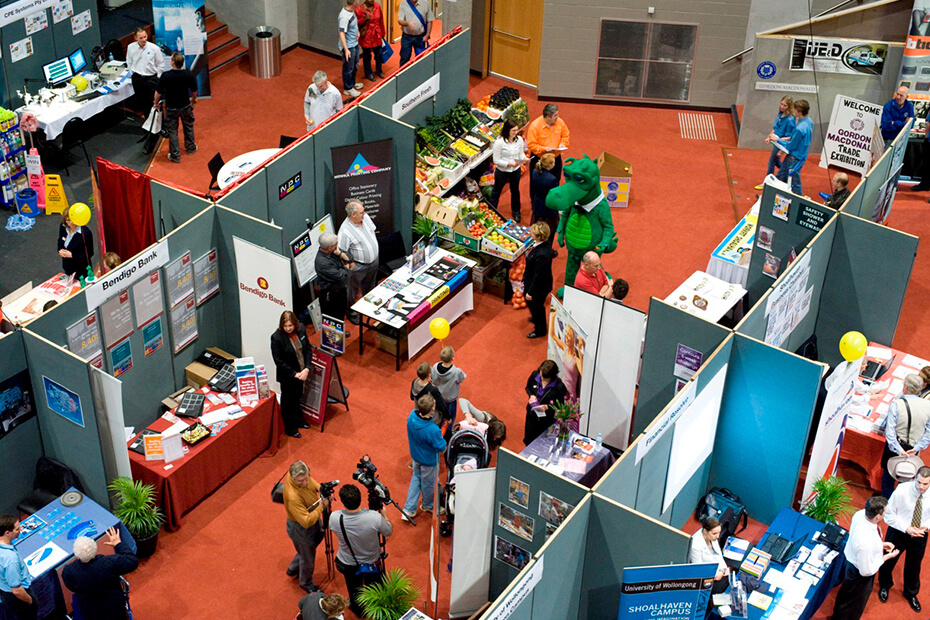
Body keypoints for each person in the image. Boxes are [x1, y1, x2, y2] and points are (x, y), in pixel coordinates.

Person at [328, 484, 392, 617]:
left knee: (354, 590)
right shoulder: (374, 517)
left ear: (342, 501)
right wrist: (384, 515)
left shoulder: (334, 518)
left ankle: (359, 611)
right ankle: (377, 610)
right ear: (360, 498)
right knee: (375, 587)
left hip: (348, 563)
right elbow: (388, 531)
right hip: (372, 562)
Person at [831, 496, 898, 620]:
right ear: (877, 517)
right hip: (859, 574)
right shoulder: (865, 542)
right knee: (853, 604)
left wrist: (880, 545)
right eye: (884, 512)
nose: (885, 514)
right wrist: (885, 557)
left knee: (845, 594)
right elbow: (866, 571)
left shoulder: (860, 514)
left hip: (850, 559)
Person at [878, 466, 930, 612]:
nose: (921, 487)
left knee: (914, 565)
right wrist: (907, 528)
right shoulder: (902, 490)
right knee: (888, 560)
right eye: (919, 482)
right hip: (898, 531)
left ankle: (911, 593)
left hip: (920, 534)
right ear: (915, 478)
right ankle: (884, 585)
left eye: (925, 484)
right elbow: (889, 515)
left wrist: (925, 526)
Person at [61, 528, 139, 620]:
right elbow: (132, 561)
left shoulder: (69, 571)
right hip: (115, 609)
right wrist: (118, 544)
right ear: (95, 549)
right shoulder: (108, 563)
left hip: (90, 613)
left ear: (77, 555)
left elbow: (71, 587)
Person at [283, 460, 330, 593]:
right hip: (301, 528)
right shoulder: (292, 496)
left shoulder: (301, 475)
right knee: (308, 556)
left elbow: (311, 481)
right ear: (292, 477)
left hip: (312, 517)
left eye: (305, 478)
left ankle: (294, 567)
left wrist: (320, 488)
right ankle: (306, 582)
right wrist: (322, 506)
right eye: (300, 481)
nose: (304, 483)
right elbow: (305, 521)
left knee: (311, 546)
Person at [882, 374, 930, 498]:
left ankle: (886, 501)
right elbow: (928, 433)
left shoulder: (896, 404)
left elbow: (890, 431)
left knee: (888, 477)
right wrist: (917, 448)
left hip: (895, 448)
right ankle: (899, 501)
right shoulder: (928, 406)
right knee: (907, 476)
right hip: (913, 448)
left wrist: (898, 449)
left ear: (905, 387)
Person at [401, 393, 448, 522]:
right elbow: (442, 447)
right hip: (429, 461)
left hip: (415, 456)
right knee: (428, 484)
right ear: (432, 409)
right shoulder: (432, 430)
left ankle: (409, 509)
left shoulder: (412, 416)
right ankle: (428, 505)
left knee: (416, 478)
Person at [270, 310, 313, 438]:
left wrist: (306, 368)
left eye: (290, 325)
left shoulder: (301, 329)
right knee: (288, 401)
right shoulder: (276, 338)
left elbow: (308, 350)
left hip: (302, 372)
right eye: (286, 326)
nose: (288, 328)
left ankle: (299, 420)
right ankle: (290, 428)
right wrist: (294, 374)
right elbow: (278, 361)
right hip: (288, 376)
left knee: (298, 397)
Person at [338, 201, 379, 325]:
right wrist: (349, 265)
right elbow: (342, 250)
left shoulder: (365, 218)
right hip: (358, 266)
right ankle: (351, 313)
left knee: (370, 286)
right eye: (361, 212)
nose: (364, 214)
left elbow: (372, 230)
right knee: (352, 291)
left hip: (373, 262)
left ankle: (368, 307)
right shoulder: (345, 231)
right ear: (353, 214)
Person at [154, 52, 197, 164]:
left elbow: (158, 92)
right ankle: (191, 148)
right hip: (185, 106)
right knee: (188, 126)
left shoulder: (166, 76)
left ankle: (175, 155)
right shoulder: (188, 74)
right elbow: (194, 90)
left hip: (171, 108)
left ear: (172, 62)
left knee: (172, 131)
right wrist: (193, 100)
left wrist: (155, 103)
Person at [315, 232, 354, 336]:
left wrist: (341, 254)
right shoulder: (322, 262)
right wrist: (347, 266)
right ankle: (331, 345)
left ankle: (339, 333)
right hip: (330, 295)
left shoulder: (334, 251)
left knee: (340, 315)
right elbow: (342, 275)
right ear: (329, 247)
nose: (338, 245)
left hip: (340, 291)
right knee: (331, 320)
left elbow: (350, 258)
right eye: (336, 244)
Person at [770, 99, 813, 196]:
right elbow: (799, 138)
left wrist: (777, 139)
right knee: (782, 177)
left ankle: (796, 202)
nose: (793, 111)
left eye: (794, 109)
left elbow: (790, 146)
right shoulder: (809, 122)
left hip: (794, 158)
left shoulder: (799, 128)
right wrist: (788, 138)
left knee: (793, 182)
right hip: (801, 156)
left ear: (799, 111)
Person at [688, 517, 729, 614]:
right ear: (705, 531)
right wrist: (716, 575)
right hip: (705, 577)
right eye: (715, 533)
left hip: (717, 571)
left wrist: (723, 569)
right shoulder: (695, 545)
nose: (718, 536)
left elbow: (719, 555)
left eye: (719, 533)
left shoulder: (712, 537)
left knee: (730, 582)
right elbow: (699, 570)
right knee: (722, 590)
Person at [490, 119, 528, 222]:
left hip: (515, 170)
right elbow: (496, 160)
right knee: (496, 191)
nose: (516, 133)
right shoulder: (499, 142)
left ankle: (516, 212)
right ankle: (492, 211)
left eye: (516, 130)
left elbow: (521, 153)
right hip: (502, 171)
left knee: (515, 191)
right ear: (507, 130)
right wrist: (508, 164)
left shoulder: (519, 139)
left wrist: (524, 159)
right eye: (513, 131)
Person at [523, 360, 569, 445]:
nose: (542, 379)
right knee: (529, 439)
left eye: (545, 378)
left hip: (546, 419)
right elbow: (528, 387)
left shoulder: (559, 387)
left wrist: (547, 407)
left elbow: (561, 405)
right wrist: (531, 395)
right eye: (541, 376)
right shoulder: (535, 375)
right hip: (532, 414)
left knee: (542, 442)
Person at [524, 222, 557, 339]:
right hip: (540, 283)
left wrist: (530, 292)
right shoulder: (544, 245)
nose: (530, 233)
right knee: (535, 306)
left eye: (532, 232)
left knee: (536, 306)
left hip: (538, 287)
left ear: (538, 236)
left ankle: (540, 329)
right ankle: (535, 317)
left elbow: (538, 275)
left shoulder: (541, 254)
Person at [755, 96, 795, 190]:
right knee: (776, 161)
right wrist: (769, 137)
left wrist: (781, 149)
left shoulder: (790, 120)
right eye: (781, 104)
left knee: (771, 162)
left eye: (785, 105)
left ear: (789, 106)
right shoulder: (780, 114)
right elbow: (775, 128)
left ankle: (767, 183)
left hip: (780, 143)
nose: (782, 107)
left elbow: (790, 136)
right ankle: (787, 176)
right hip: (775, 141)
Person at [0, 515, 36, 620]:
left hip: (4, 590)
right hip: (18, 597)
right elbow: (16, 590)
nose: (20, 530)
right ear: (7, 533)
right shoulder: (11, 560)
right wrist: (30, 601)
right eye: (17, 529)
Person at [126, 27, 165, 115]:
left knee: (156, 102)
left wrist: (157, 76)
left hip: (151, 79)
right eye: (141, 38)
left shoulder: (154, 48)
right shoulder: (130, 47)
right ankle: (148, 122)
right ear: (136, 38)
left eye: (145, 37)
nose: (144, 40)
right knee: (143, 102)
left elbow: (161, 64)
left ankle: (160, 125)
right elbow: (129, 62)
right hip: (138, 79)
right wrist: (132, 73)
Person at [526, 104, 570, 179]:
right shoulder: (535, 126)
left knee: (555, 181)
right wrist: (545, 149)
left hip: (555, 158)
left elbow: (566, 135)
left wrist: (563, 143)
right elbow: (531, 145)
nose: (557, 117)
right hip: (540, 159)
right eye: (555, 115)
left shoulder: (560, 122)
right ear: (547, 117)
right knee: (538, 184)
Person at [530, 153, 560, 244]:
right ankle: (547, 247)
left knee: (537, 226)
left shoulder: (535, 172)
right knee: (549, 230)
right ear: (550, 165)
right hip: (548, 208)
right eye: (553, 163)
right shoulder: (552, 179)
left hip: (537, 204)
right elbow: (554, 195)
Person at [431, 346, 466, 423]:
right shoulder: (457, 371)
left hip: (438, 397)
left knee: (438, 414)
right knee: (450, 418)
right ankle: (448, 433)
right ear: (452, 358)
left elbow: (432, 378)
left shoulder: (434, 367)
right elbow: (462, 378)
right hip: (450, 399)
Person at [58, 206, 94, 278]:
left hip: (81, 269)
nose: (71, 223)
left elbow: (89, 253)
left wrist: (72, 255)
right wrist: (60, 249)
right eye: (68, 220)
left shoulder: (85, 233)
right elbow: (60, 240)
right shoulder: (63, 227)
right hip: (68, 266)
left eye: (72, 220)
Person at [549, 322, 582, 399]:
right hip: (561, 388)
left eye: (569, 336)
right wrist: (553, 316)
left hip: (570, 394)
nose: (566, 338)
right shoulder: (565, 349)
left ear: (573, 338)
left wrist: (579, 350)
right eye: (566, 335)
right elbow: (553, 335)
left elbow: (582, 372)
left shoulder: (576, 359)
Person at [338, 0, 364, 98]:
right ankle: (348, 88)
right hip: (348, 47)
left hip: (354, 43)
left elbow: (352, 25)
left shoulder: (351, 11)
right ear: (354, 2)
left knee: (355, 65)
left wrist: (356, 32)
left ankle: (352, 83)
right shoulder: (344, 17)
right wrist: (346, 49)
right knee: (348, 68)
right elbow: (341, 33)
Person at [411, 361, 449, 426]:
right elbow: (441, 406)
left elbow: (412, 397)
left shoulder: (414, 382)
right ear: (429, 375)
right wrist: (448, 417)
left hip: (420, 411)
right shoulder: (432, 390)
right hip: (432, 418)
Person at [355, 0, 385, 81]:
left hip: (377, 34)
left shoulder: (377, 6)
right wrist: (364, 19)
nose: (372, 0)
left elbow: (381, 20)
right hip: (367, 36)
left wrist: (383, 32)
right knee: (367, 56)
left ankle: (379, 70)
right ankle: (368, 73)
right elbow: (356, 24)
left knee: (379, 54)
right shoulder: (359, 9)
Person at [397, 0, 433, 66]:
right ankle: (403, 75)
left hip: (420, 37)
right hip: (407, 37)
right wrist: (408, 23)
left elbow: (429, 21)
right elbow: (400, 21)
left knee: (420, 59)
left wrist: (427, 35)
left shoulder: (426, 4)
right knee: (405, 58)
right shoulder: (403, 4)